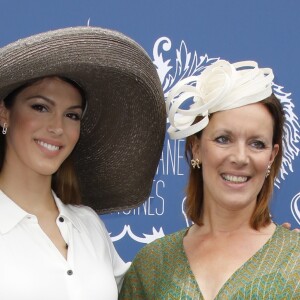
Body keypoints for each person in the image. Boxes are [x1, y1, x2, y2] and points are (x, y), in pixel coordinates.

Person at [0, 26, 165, 300]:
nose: (57, 128)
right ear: (4, 113)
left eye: (72, 115)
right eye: (40, 107)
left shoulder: (88, 225)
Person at [119, 60, 300, 299]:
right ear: (196, 148)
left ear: (271, 157)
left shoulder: (295, 259)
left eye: (257, 144)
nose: (240, 157)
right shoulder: (152, 265)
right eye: (224, 139)